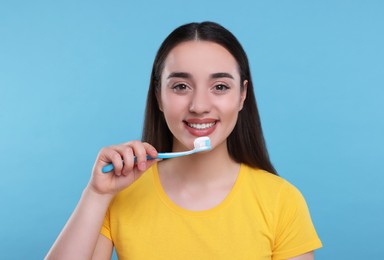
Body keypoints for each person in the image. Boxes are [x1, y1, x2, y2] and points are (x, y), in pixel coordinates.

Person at [46, 21, 322, 260]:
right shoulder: (119, 195)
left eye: (220, 87)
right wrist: (97, 195)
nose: (199, 105)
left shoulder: (282, 201)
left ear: (242, 95)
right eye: (180, 86)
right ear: (158, 96)